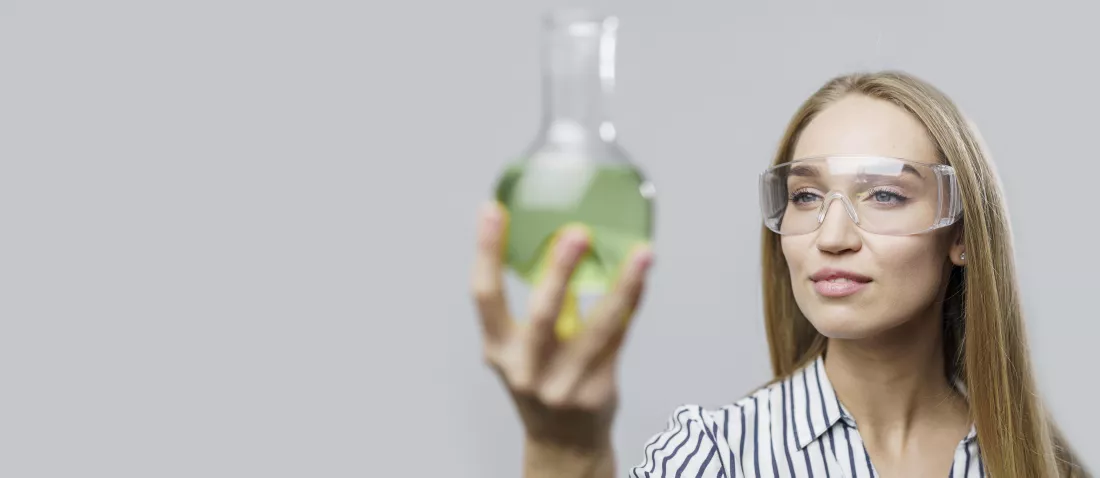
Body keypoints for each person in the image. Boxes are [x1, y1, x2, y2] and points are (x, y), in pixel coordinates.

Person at [469, 71, 1089, 477]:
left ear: (960, 234)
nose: (833, 237)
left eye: (885, 196)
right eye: (807, 197)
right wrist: (567, 448)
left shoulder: (1042, 466)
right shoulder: (714, 457)